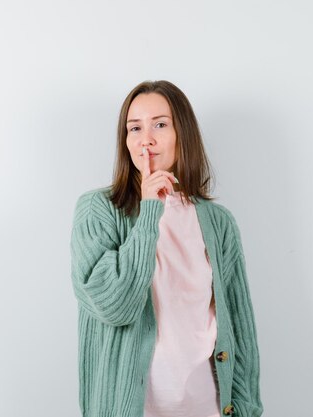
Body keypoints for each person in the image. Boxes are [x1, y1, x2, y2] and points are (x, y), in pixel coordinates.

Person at [70, 80, 263, 417]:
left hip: (209, 406)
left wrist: (248, 409)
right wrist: (148, 212)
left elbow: (239, 325)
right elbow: (113, 306)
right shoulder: (97, 211)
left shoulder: (219, 222)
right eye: (134, 128)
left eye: (160, 124)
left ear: (182, 134)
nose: (146, 138)